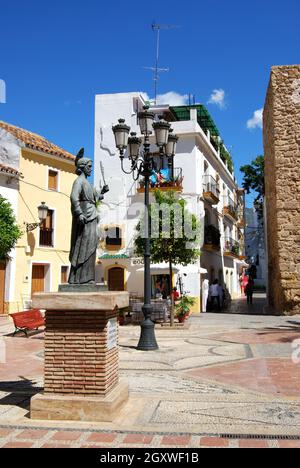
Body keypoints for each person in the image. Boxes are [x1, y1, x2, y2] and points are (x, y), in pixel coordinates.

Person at [68, 149, 109, 284]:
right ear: (83, 167)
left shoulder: (88, 183)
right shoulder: (78, 181)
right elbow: (74, 197)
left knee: (91, 246)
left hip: (91, 216)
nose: (91, 169)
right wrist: (79, 213)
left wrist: (102, 191)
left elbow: (94, 197)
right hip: (84, 217)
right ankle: (77, 278)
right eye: (89, 166)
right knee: (83, 246)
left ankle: (87, 278)